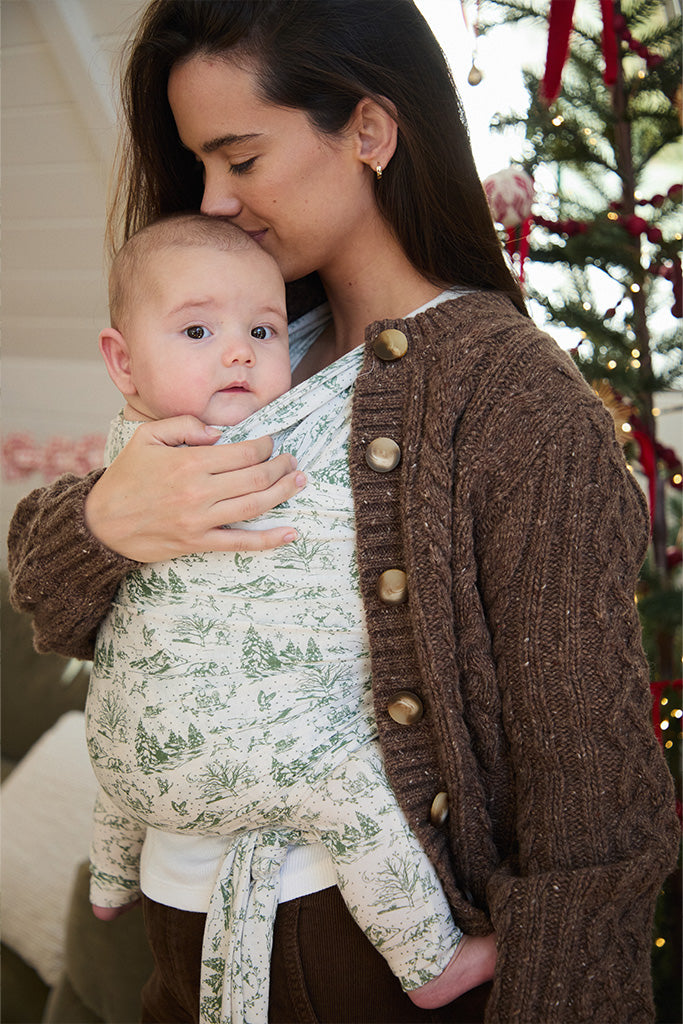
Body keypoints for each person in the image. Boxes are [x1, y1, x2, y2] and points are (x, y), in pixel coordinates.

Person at [8, 2, 679, 1022]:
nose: (212, 202)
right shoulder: (231, 353)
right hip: (186, 960)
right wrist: (104, 518)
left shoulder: (516, 409)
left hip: (376, 976)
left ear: (367, 131)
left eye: (240, 158)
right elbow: (54, 604)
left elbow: (588, 814)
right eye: (199, 166)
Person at [87, 209, 497, 1018]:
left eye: (265, 332)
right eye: (198, 331)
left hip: (125, 768)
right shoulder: (248, 455)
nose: (239, 351)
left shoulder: (119, 461)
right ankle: (427, 956)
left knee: (113, 690)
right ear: (122, 361)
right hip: (246, 769)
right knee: (346, 784)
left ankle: (108, 875)